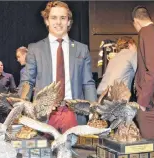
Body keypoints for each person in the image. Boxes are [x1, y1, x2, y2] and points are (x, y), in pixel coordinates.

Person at [20, 1, 97, 134]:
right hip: (45, 114)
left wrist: (93, 112)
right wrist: (21, 107)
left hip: (73, 112)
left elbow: (87, 83)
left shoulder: (82, 49)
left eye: (63, 18)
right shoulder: (35, 49)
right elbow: (27, 81)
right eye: (53, 18)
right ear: (47, 21)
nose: (58, 22)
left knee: (77, 152)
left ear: (69, 22)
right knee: (45, 153)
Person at [132, 5, 154, 139]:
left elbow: (153, 70)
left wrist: (142, 102)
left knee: (151, 149)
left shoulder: (146, 32)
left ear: (136, 21)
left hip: (150, 103)